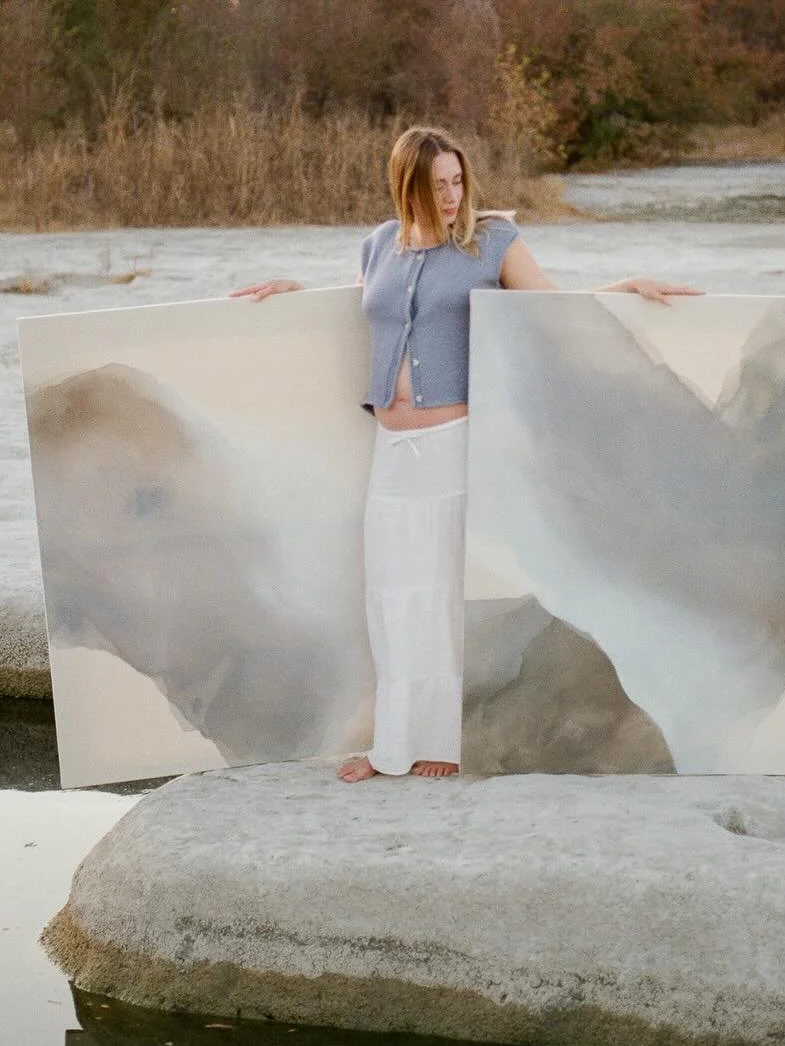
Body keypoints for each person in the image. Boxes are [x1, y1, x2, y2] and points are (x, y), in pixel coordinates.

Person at [231, 125, 698, 783]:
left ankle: (446, 743)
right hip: (391, 449)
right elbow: (362, 314)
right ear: (408, 185)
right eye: (437, 184)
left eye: (457, 181)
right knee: (391, 596)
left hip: (454, 446)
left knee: (444, 596)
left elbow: (553, 308)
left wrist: (627, 286)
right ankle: (392, 746)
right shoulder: (377, 247)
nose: (451, 195)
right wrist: (290, 295)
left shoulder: (492, 243)